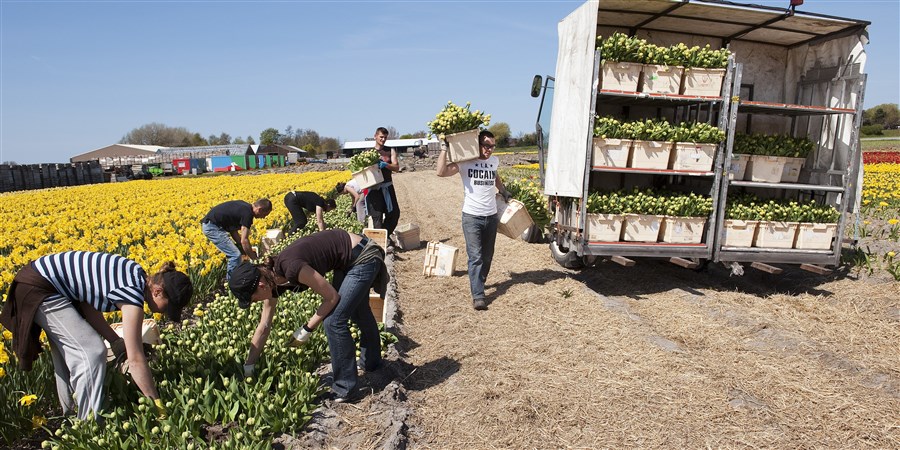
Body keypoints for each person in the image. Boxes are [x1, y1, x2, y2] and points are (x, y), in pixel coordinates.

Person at [0, 251, 193, 420]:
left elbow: (87, 304)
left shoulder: (135, 275)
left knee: (68, 356)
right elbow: (136, 360)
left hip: (40, 282)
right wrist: (157, 403)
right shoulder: (133, 294)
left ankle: (71, 418)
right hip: (39, 287)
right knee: (91, 351)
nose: (163, 313)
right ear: (157, 292)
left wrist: (115, 341)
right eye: (167, 307)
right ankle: (89, 424)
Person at [228, 229, 387, 403]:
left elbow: (332, 298)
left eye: (253, 299)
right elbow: (264, 326)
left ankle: (345, 389)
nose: (255, 302)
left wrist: (306, 329)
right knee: (358, 311)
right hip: (348, 259)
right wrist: (249, 365)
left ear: (260, 285)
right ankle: (372, 362)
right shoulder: (271, 280)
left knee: (333, 321)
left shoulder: (291, 267)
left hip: (363, 257)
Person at [435, 130, 512, 310]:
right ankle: (478, 295)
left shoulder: (494, 161)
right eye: (486, 146)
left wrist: (503, 190)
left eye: (492, 146)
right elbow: (441, 172)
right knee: (475, 256)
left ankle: (479, 282)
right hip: (471, 217)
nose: (489, 150)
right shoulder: (465, 162)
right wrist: (444, 149)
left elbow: (495, 175)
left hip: (491, 216)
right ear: (477, 145)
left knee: (487, 256)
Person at [201, 198, 272, 280]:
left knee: (238, 252)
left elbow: (233, 231)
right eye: (265, 215)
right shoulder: (248, 214)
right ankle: (231, 282)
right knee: (235, 255)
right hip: (212, 228)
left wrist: (245, 249)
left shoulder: (244, 207)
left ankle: (236, 277)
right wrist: (255, 259)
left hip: (210, 224)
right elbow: (244, 240)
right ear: (260, 210)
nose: (263, 217)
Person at [366, 127, 401, 237]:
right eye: (381, 137)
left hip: (387, 187)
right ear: (375, 136)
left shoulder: (390, 151)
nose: (383, 139)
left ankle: (385, 236)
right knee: (377, 216)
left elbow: (396, 167)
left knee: (394, 214)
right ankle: (380, 242)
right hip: (374, 188)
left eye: (385, 137)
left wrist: (386, 165)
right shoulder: (368, 152)